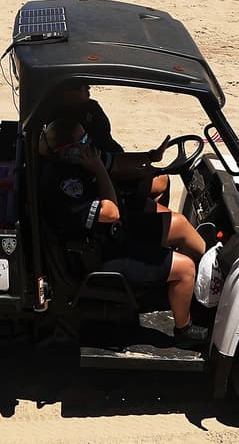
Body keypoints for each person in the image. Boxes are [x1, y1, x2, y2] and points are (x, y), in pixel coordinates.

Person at [37, 117, 208, 349]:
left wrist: (149, 157)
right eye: (84, 140)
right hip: (102, 254)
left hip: (114, 234)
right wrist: (97, 169)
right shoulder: (65, 188)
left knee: (180, 226)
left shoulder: (79, 160)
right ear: (69, 151)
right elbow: (112, 212)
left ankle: (194, 289)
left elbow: (114, 162)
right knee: (186, 268)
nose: (90, 144)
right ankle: (184, 330)